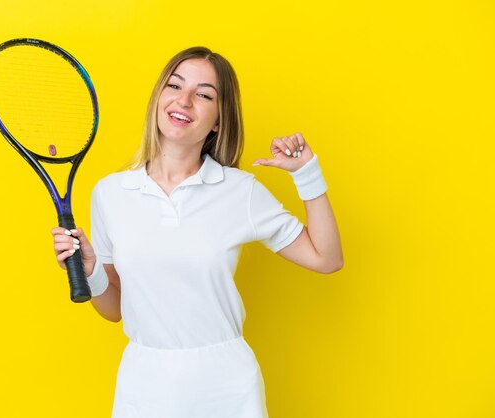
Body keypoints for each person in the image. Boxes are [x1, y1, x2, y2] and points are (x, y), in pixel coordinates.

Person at [51, 46, 343, 418]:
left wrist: (307, 175)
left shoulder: (241, 191)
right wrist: (90, 271)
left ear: (220, 120)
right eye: (174, 85)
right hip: (144, 384)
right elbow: (114, 311)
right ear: (159, 97)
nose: (184, 100)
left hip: (226, 385)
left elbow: (327, 258)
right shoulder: (110, 193)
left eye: (204, 94)